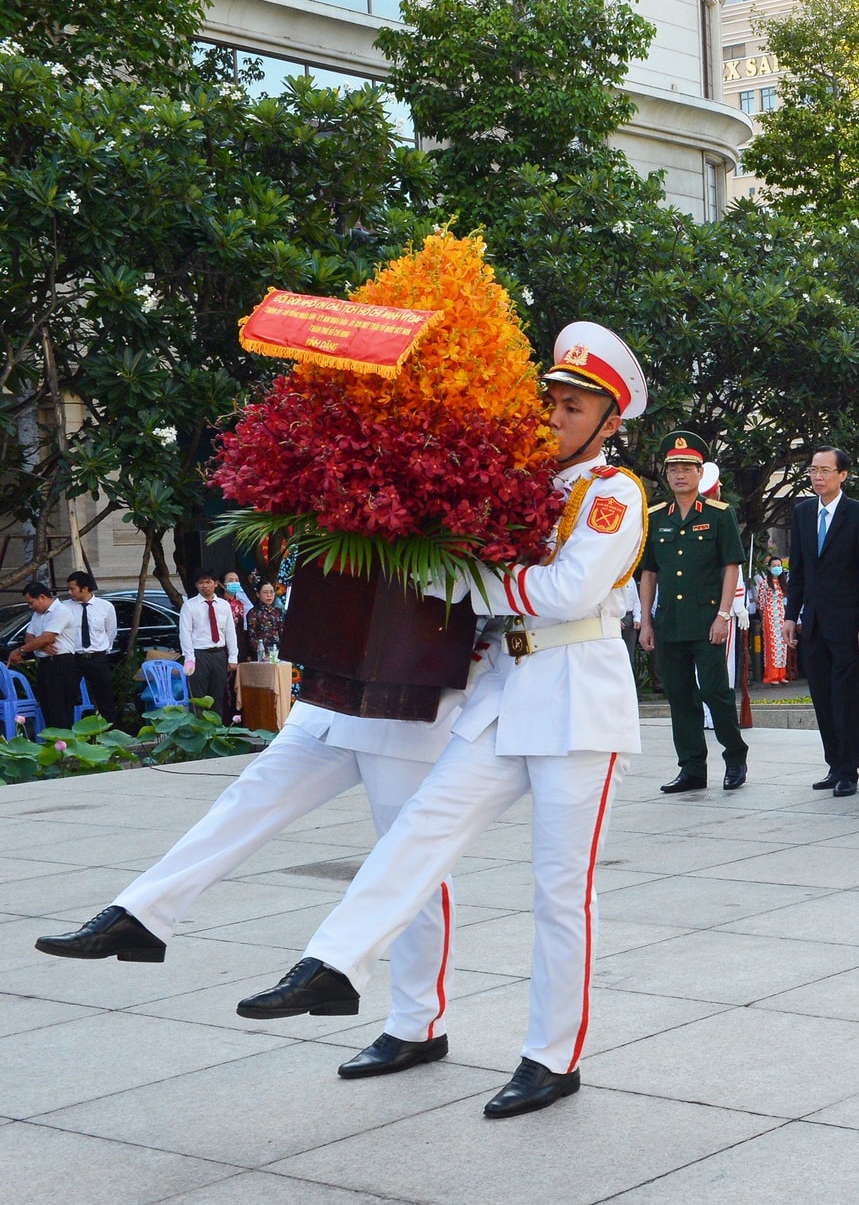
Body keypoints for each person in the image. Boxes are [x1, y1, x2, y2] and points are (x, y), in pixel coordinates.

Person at [235, 320, 652, 1120]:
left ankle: (551, 1056)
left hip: (577, 701)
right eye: (553, 400)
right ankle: (331, 963)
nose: (554, 416)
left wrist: (470, 582)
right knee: (420, 828)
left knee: (561, 891)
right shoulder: (517, 483)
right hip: (505, 690)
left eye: (574, 407)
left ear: (610, 422)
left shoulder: (613, 494)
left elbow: (566, 593)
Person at [36, 648, 491, 1079]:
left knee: (414, 865)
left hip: (408, 706)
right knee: (246, 800)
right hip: (330, 702)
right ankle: (141, 914)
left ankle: (417, 1026)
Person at [638, 430, 748, 794]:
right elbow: (649, 572)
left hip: (707, 623)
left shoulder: (720, 515)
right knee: (681, 697)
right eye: (673, 469)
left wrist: (723, 615)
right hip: (669, 622)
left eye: (687, 468)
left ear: (701, 474)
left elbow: (731, 565)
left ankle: (734, 757)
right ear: (666, 474)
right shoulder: (656, 517)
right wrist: (646, 621)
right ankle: (691, 768)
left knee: (716, 694)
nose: (680, 474)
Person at [786, 447, 859, 795]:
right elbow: (798, 570)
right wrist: (789, 616)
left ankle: (848, 770)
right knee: (822, 697)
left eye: (825, 470)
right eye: (813, 470)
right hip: (814, 624)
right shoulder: (803, 512)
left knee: (846, 698)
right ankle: (832, 763)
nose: (818, 476)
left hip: (849, 624)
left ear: (843, 475)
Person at [9, 582, 78, 728]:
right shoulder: (37, 614)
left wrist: (21, 650)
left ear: (42, 597)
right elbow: (29, 635)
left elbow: (48, 637)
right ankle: (52, 743)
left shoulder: (61, 611)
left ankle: (64, 744)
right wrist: (41, 644)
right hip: (45, 664)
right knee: (47, 707)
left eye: (31, 602)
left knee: (60, 709)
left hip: (61, 663)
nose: (30, 606)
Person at [178, 572, 237, 721]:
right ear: (197, 585)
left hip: (219, 655)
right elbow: (185, 633)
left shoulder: (224, 605)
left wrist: (233, 657)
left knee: (217, 697)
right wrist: (189, 658)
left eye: (208, 582)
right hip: (199, 655)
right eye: (201, 583)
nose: (205, 586)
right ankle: (198, 735)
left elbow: (230, 632)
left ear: (216, 583)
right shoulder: (189, 606)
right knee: (198, 698)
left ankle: (215, 734)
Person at [64, 571, 117, 723]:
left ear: (85, 588)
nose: (70, 592)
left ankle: (109, 734)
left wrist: (103, 649)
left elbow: (111, 631)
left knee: (105, 697)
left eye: (72, 588)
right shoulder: (64, 607)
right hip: (73, 658)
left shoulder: (105, 607)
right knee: (67, 695)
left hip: (97, 657)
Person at [758, 560, 790, 685]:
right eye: (774, 566)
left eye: (779, 565)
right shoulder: (765, 583)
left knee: (782, 645)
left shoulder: (783, 582)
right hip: (770, 616)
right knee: (772, 646)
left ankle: (781, 674)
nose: (777, 568)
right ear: (769, 567)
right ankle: (771, 676)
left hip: (781, 615)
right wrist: (763, 618)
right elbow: (761, 603)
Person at [246, 580, 283, 660]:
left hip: (277, 652)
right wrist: (263, 653)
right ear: (258, 594)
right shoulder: (253, 613)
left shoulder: (278, 612)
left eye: (271, 592)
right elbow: (252, 636)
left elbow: (282, 633)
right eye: (265, 592)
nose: (269, 595)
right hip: (261, 654)